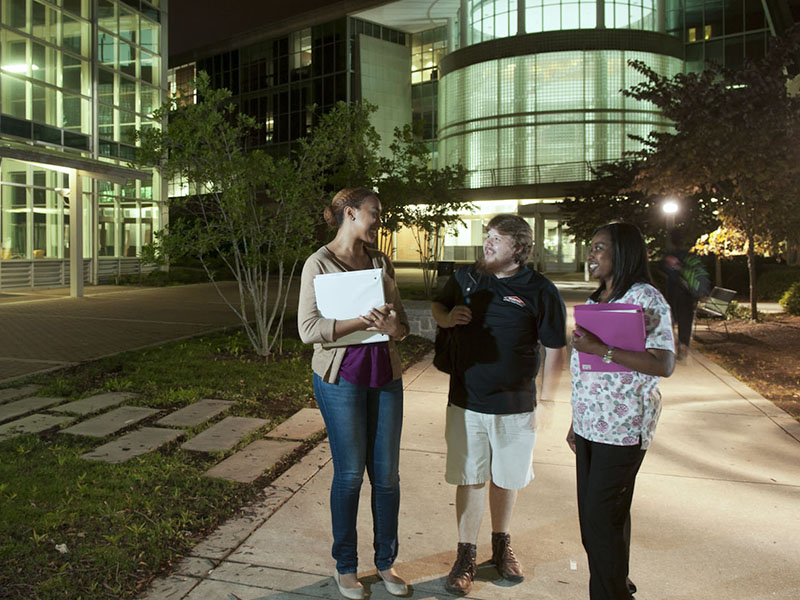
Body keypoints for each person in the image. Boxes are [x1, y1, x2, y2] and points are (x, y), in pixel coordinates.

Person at [431, 214, 567, 595]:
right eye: (487, 236)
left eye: (497, 239)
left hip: (516, 403)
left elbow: (556, 347)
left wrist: (548, 399)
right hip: (466, 399)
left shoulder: (540, 290)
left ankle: (501, 545)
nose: (487, 243)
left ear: (519, 250)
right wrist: (448, 318)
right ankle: (465, 554)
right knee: (470, 476)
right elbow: (438, 307)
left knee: (507, 478)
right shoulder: (464, 278)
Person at [298, 188, 410, 600]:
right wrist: (359, 321)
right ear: (350, 213)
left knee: (387, 477)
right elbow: (309, 330)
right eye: (374, 213)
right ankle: (346, 567)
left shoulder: (380, 262)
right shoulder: (319, 263)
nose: (379, 220)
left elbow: (402, 327)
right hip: (341, 379)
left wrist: (393, 327)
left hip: (385, 376)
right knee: (349, 475)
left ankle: (386, 563)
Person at [568, 222, 676, 600]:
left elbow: (663, 363)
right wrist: (574, 421)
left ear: (623, 253)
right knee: (606, 518)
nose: (590, 254)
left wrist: (602, 350)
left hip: (624, 427)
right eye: (591, 246)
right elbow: (585, 369)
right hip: (590, 425)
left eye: (599, 248)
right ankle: (617, 583)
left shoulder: (646, 298)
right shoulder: (599, 299)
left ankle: (610, 593)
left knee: (598, 522)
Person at [662, 229, 706, 359]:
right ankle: (683, 345)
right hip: (687, 294)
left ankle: (670, 346)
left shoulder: (668, 257)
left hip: (672, 293)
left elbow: (663, 272)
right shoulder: (690, 257)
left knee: (671, 320)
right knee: (685, 321)